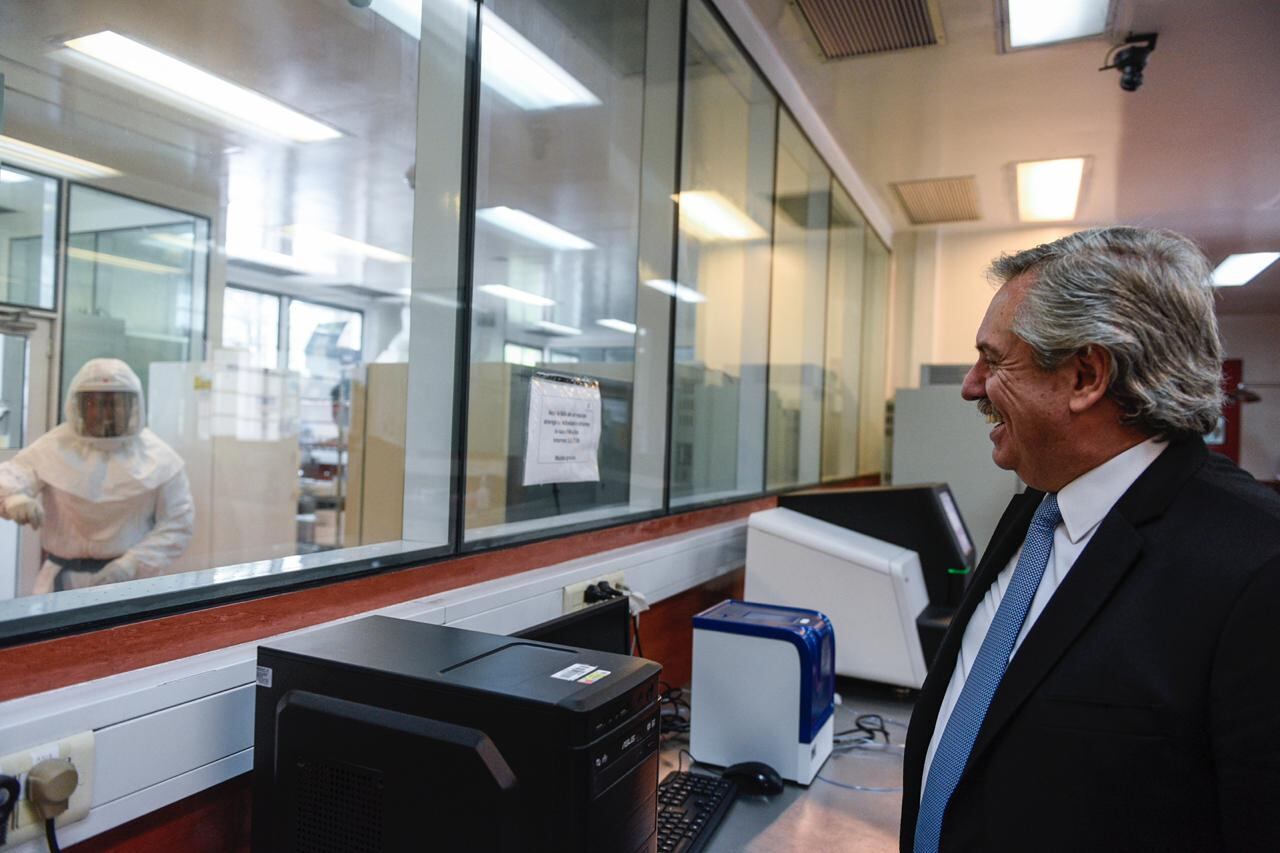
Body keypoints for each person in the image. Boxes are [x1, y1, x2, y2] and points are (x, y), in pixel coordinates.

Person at [900, 227, 1280, 852]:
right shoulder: (1038, 505)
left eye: (994, 360)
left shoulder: (1256, 568)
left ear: (1084, 376)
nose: (971, 386)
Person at [0, 358, 195, 593]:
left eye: (116, 403)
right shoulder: (53, 446)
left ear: (134, 406)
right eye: (96, 402)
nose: (106, 413)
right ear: (79, 406)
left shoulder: (160, 458)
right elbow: (11, 477)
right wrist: (14, 499)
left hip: (132, 582)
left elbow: (178, 523)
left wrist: (132, 564)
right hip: (62, 581)